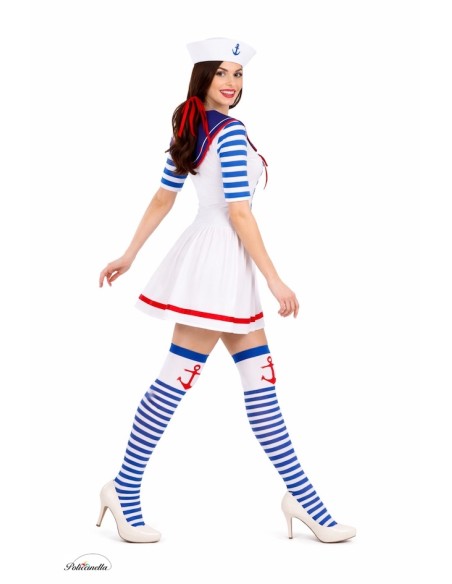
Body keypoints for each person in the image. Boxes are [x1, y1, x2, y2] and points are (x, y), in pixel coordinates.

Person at [96, 37, 356, 544]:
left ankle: (302, 499)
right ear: (204, 77)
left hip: (220, 265)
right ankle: (122, 488)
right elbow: (237, 212)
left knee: (260, 388)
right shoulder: (227, 131)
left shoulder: (192, 125)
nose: (232, 83)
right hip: (217, 268)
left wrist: (131, 253)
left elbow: (165, 197)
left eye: (238, 74)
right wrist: (274, 279)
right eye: (222, 73)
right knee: (174, 383)